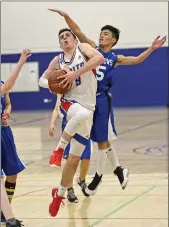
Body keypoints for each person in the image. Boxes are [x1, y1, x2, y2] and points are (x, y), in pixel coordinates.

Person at [47, 8, 167, 196]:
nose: (102, 36)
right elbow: (77, 31)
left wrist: (152, 48)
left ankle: (99, 176)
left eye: (106, 34)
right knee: (95, 139)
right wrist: (66, 16)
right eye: (101, 33)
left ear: (113, 40)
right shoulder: (91, 48)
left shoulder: (115, 58)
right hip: (83, 100)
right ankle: (116, 171)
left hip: (101, 100)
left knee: (101, 139)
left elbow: (136, 60)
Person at [39, 28, 104, 216]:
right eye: (61, 37)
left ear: (74, 40)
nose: (65, 38)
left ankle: (58, 194)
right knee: (81, 115)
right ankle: (59, 149)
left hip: (89, 106)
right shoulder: (57, 60)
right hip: (69, 103)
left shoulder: (83, 49)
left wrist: (74, 74)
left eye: (68, 36)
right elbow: (42, 80)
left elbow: (98, 58)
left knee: (74, 160)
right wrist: (54, 81)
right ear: (60, 44)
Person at [1, 49, 31, 227]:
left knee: (12, 173)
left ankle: (4, 213)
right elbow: (6, 88)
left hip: (4, 132)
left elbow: (7, 100)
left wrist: (7, 111)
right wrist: (20, 62)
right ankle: (10, 218)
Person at [48, 94, 92, 203]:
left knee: (86, 158)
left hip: (83, 127)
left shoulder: (82, 90)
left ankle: (82, 180)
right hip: (69, 129)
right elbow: (56, 108)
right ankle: (70, 189)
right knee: (71, 162)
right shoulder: (62, 92)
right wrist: (52, 123)